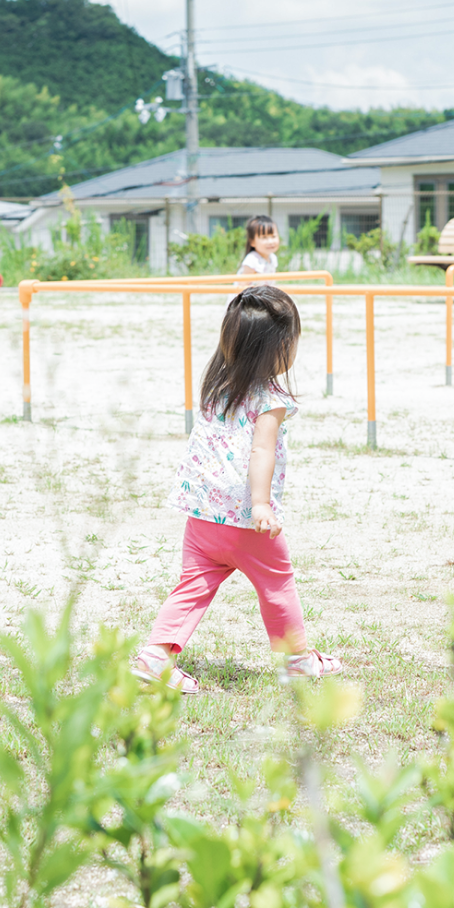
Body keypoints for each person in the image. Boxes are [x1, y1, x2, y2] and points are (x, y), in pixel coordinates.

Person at [133, 284, 342, 694]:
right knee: (277, 583)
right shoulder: (270, 397)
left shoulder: (218, 385)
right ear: (279, 348)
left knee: (192, 585)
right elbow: (261, 449)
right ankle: (297, 660)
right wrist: (261, 505)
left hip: (202, 515)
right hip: (245, 521)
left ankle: (155, 657)